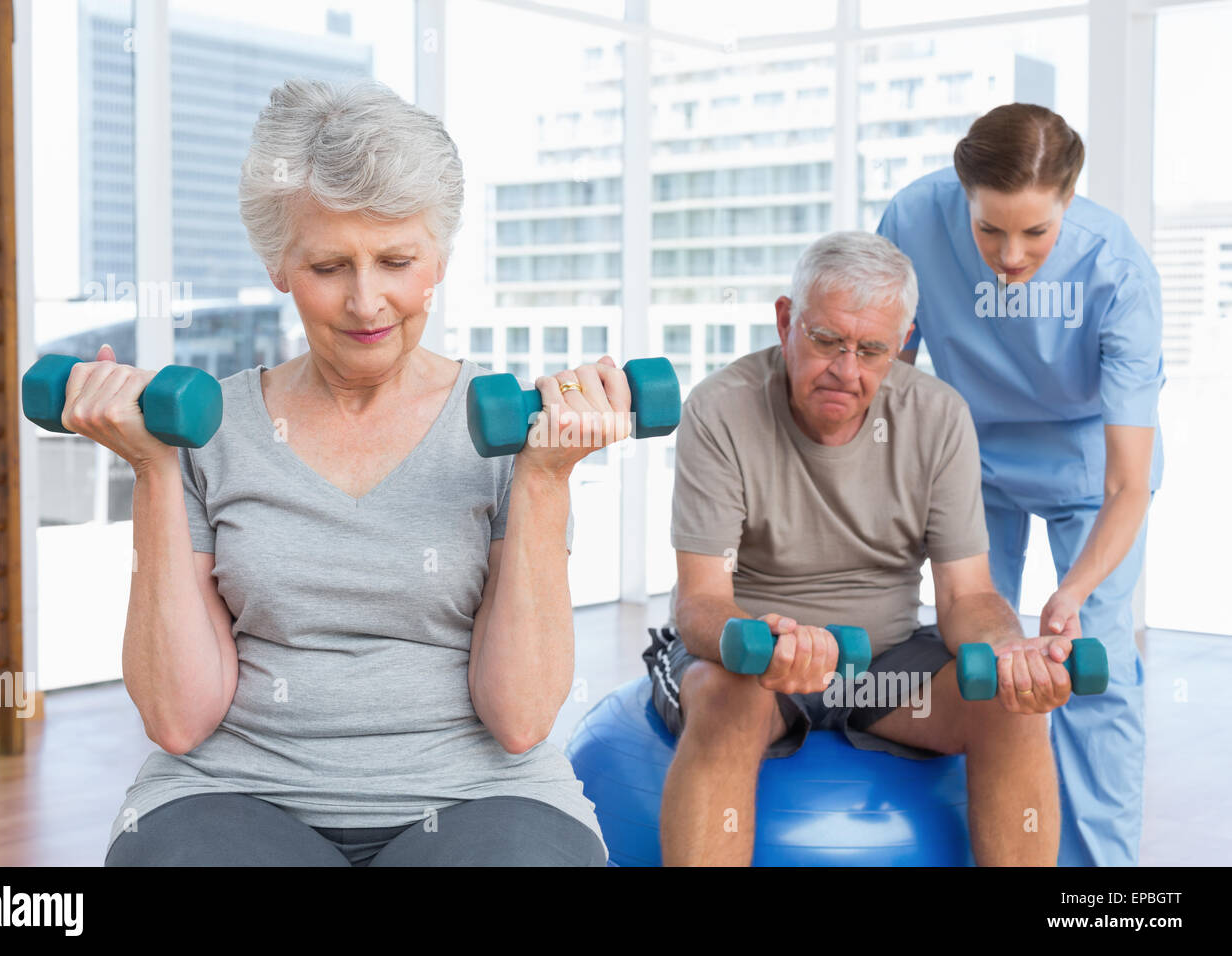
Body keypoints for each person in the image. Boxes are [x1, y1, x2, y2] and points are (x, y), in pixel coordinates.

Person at [85, 78, 623, 865]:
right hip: (238, 791)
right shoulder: (206, 431)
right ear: (279, 266)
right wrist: (155, 471)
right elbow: (177, 717)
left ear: (438, 258)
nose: (367, 301)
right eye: (330, 265)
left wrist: (544, 481)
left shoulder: (515, 431)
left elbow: (519, 718)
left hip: (479, 795)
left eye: (396, 261)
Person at [645, 231, 1077, 866]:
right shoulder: (721, 408)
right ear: (787, 320)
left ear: (901, 345)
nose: (846, 371)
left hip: (886, 674)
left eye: (871, 350)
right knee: (724, 699)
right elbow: (701, 599)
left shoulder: (938, 417)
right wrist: (767, 641)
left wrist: (1009, 649)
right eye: (827, 341)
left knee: (1008, 707)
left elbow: (968, 596)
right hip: (761, 667)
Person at [875, 103, 1163, 866]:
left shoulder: (1117, 268)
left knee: (1090, 660)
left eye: (1036, 232)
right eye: (989, 230)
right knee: (978, 662)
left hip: (1084, 465)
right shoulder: (910, 218)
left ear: (1068, 199)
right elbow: (885, 378)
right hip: (970, 456)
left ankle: (1100, 885)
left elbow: (1128, 484)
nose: (1009, 255)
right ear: (960, 193)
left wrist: (1073, 591)